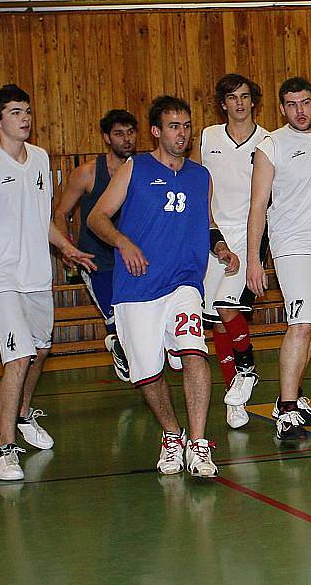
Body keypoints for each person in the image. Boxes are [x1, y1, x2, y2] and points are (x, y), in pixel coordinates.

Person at [88, 95, 238, 477]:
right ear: (156, 131)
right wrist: (123, 242)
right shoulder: (135, 168)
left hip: (183, 282)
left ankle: (200, 444)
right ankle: (173, 435)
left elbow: (205, 223)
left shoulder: (199, 175)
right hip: (136, 287)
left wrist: (220, 246)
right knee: (148, 372)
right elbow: (97, 218)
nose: (182, 134)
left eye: (187, 126)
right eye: (174, 126)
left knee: (193, 351)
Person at [0, 84, 95, 480]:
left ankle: (21, 414)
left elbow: (41, 221)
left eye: (28, 111)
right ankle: (5, 450)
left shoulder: (39, 159)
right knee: (17, 356)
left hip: (35, 275)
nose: (25, 118)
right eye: (15, 112)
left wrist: (67, 248)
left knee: (38, 351)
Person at [247, 77, 311, 440]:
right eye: (291, 104)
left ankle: (296, 397)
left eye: (305, 102)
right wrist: (255, 259)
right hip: (293, 246)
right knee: (300, 324)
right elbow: (257, 206)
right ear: (282, 108)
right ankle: (285, 410)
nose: (299, 110)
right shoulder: (270, 145)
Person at [190, 74, 269, 430]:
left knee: (227, 307)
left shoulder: (268, 140)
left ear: (254, 101)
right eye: (232, 97)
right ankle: (233, 397)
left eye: (245, 96)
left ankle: (247, 369)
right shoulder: (208, 137)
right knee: (217, 322)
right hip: (214, 235)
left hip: (252, 233)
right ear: (222, 103)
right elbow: (193, 182)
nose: (239, 103)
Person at [53, 109, 138, 382]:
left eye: (130, 132)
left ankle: (127, 347)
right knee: (114, 319)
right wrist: (68, 249)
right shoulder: (88, 173)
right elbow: (60, 213)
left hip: (131, 255)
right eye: (118, 134)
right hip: (96, 258)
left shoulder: (142, 169)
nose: (126, 139)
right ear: (106, 138)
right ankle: (116, 343)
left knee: (135, 317)